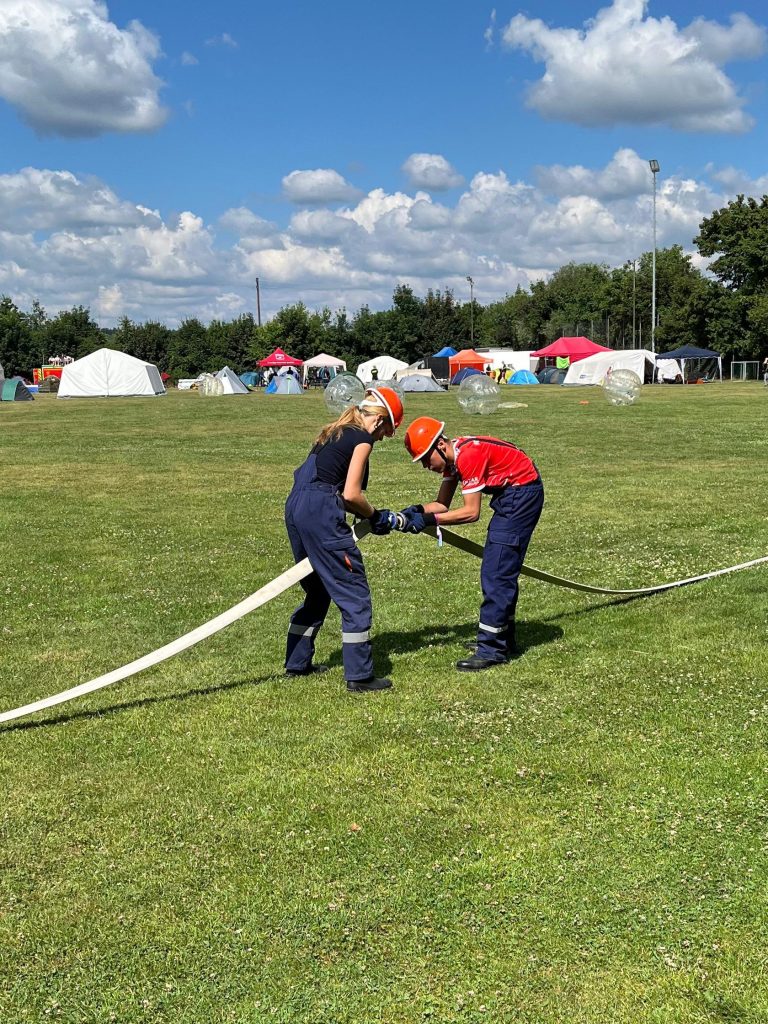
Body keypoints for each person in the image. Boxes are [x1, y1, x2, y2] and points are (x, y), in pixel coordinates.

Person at [398, 417, 544, 672]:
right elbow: (441, 505)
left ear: (440, 445)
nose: (424, 466)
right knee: (500, 569)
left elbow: (470, 513)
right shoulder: (453, 459)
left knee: (497, 572)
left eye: (424, 458)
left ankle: (492, 650)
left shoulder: (468, 456)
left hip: (521, 495)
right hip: (511, 493)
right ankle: (501, 639)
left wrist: (427, 520)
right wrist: (415, 512)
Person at [284, 386, 404, 693]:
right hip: (320, 511)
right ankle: (359, 676)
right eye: (385, 433)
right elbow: (350, 494)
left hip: (296, 507)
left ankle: (297, 664)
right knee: (354, 594)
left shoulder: (333, 432)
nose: (381, 439)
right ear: (379, 422)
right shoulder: (362, 438)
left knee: (318, 590)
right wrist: (376, 516)